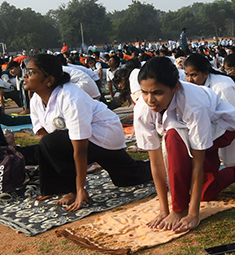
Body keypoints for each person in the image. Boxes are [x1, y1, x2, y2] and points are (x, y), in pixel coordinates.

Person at [23, 54, 151, 211]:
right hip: (79, 139)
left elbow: (80, 148)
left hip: (104, 135)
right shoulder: (36, 100)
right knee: (48, 143)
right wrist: (54, 182)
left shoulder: (70, 97)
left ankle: (161, 163)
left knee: (129, 177)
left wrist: (80, 189)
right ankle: (57, 188)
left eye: (30, 72)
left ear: (49, 80)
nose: (25, 76)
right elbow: (44, 138)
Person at [134, 56, 235, 233]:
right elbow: (156, 163)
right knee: (206, 193)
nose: (150, 100)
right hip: (188, 132)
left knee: (173, 137)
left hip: (222, 128)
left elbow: (197, 163)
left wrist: (192, 214)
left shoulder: (193, 104)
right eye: (145, 92)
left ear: (175, 88)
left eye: (157, 93)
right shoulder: (143, 108)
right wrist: (163, 210)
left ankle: (180, 208)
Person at [183, 53, 235, 145]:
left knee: (206, 142)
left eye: (193, 75)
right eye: (187, 75)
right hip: (217, 118)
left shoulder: (222, 87)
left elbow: (233, 117)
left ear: (205, 73)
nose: (189, 79)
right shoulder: (195, 84)